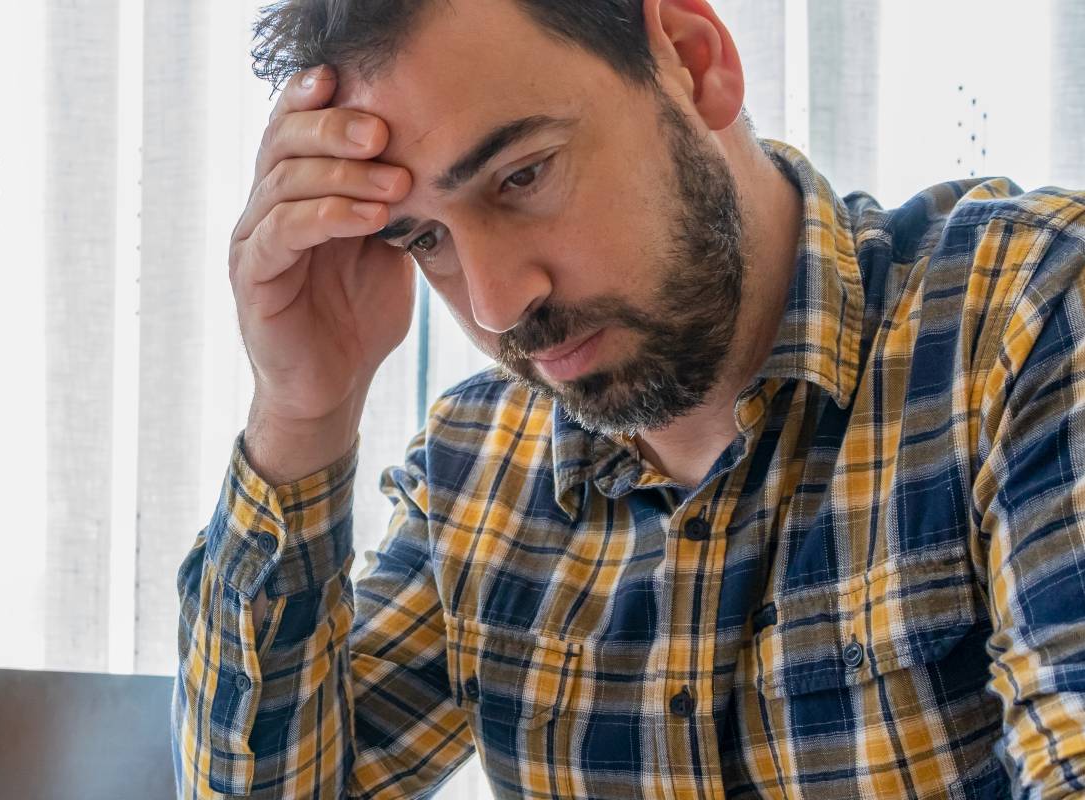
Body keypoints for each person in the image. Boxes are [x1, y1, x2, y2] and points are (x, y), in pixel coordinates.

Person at [172, 0, 1085, 797]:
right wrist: (302, 412)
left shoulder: (1024, 319)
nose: (496, 303)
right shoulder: (477, 468)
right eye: (424, 242)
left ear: (693, 58)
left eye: (521, 176)